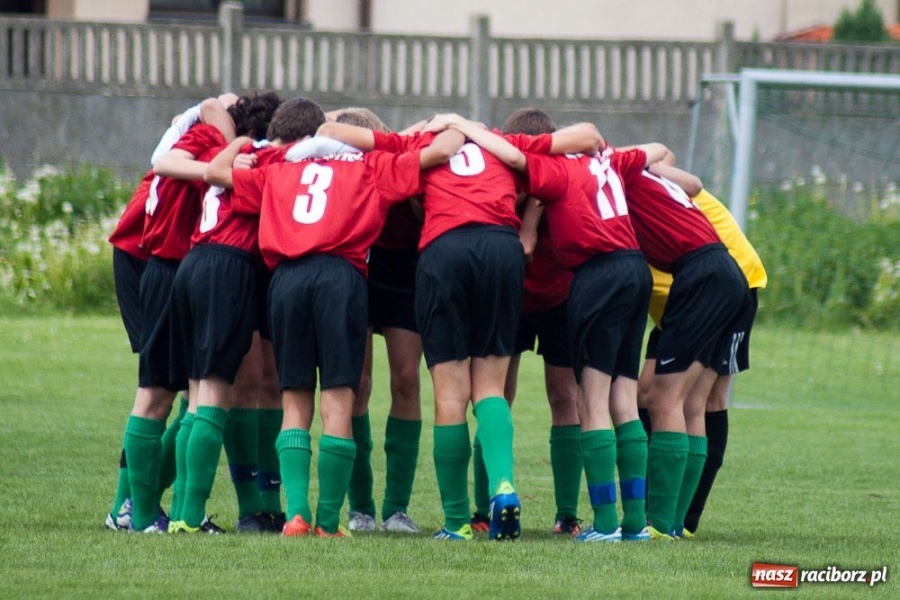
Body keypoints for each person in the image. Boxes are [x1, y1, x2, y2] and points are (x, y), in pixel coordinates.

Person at [316, 115, 590, 541]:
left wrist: (420, 129)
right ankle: (502, 486)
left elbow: (332, 132)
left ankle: (458, 521)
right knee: (491, 389)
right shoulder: (502, 142)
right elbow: (587, 136)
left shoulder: (424, 141)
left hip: (444, 248)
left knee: (449, 393)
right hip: (501, 248)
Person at [205, 101, 464, 538]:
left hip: (287, 279)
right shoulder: (369, 167)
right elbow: (435, 154)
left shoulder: (279, 167)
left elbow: (215, 175)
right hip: (341, 277)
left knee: (295, 399)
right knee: (340, 398)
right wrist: (456, 124)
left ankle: (296, 516)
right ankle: (329, 520)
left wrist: (239, 146)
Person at [433, 109, 667, 542]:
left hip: (570, 293)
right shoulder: (589, 164)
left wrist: (533, 220)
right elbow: (648, 147)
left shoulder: (547, 169)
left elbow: (533, 167)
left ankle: (571, 514)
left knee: (570, 398)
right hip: (520, 294)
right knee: (499, 395)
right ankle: (488, 507)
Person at [165, 97, 324, 535]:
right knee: (215, 394)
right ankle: (190, 517)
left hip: (196, 263)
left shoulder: (242, 151)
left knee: (197, 397)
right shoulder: (273, 158)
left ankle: (183, 511)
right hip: (228, 267)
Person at [123, 91, 279, 533]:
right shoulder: (258, 157)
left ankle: (150, 513)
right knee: (203, 395)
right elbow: (179, 151)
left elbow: (171, 157)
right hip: (218, 268)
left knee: (190, 397)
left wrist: (229, 144)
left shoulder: (211, 146)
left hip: (187, 265)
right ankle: (183, 517)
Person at [104, 94, 245, 531]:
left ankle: (174, 509)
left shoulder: (204, 135)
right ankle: (134, 511)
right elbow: (203, 115)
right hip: (160, 266)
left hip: (175, 270)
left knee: (188, 392)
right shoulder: (210, 135)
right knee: (156, 394)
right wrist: (228, 141)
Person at [612, 147, 753, 540]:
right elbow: (690, 181)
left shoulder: (615, 170)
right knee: (685, 402)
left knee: (663, 399)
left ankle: (659, 524)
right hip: (717, 275)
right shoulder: (647, 175)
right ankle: (673, 523)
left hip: (703, 276)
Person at [315, 109, 427, 535]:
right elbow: (317, 124)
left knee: (406, 380)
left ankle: (396, 509)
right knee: (356, 383)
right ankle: (359, 508)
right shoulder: (334, 160)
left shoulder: (392, 157)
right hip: (355, 270)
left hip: (403, 273)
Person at [637, 183, 767, 537]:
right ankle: (658, 510)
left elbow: (669, 160)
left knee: (699, 399)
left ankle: (680, 519)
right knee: (647, 392)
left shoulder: (628, 170)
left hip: (727, 280)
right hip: (680, 295)